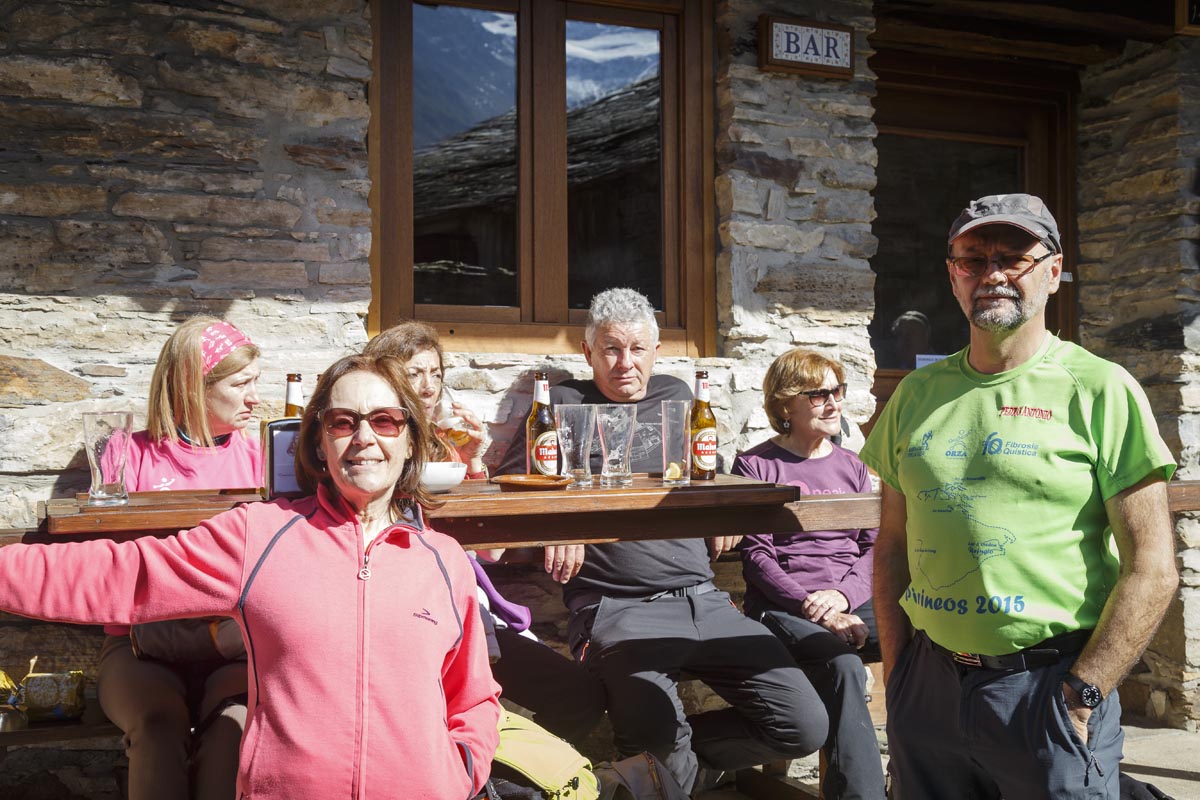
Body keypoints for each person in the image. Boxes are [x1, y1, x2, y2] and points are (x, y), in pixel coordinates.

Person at [2, 353, 500, 799]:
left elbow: (473, 697)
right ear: (319, 443)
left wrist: (460, 769)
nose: (364, 437)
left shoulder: (445, 561)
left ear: (411, 440)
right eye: (343, 422)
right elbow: (122, 575)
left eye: (386, 421)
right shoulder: (260, 536)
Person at [859, 193, 1178, 799]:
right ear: (953, 275)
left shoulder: (1101, 390)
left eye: (1013, 257)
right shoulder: (915, 395)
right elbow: (893, 544)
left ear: (1053, 272)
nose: (992, 274)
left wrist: (1083, 694)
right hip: (929, 688)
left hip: (1048, 688)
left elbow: (1153, 567)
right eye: (973, 260)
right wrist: (899, 678)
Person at [496, 287, 827, 795]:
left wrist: (725, 508)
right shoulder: (561, 404)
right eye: (610, 349)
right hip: (617, 609)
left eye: (636, 349)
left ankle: (666, 768)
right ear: (588, 353)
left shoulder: (677, 397)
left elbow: (708, 472)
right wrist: (558, 528)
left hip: (705, 599)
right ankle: (662, 766)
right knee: (657, 740)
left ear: (656, 351)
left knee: (804, 725)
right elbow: (511, 490)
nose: (624, 363)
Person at [364, 321, 605, 744]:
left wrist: (473, 461)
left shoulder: (444, 447)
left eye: (436, 374)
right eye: (414, 373)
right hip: (399, 617)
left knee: (580, 697)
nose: (428, 387)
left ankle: (506, 771)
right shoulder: (367, 451)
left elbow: (490, 551)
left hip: (465, 612)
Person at [98, 317, 262, 800]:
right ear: (194, 386)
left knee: (233, 732)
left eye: (255, 381)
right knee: (157, 731)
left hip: (231, 647)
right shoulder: (129, 454)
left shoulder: (259, 459)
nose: (255, 397)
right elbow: (110, 568)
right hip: (139, 647)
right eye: (241, 384)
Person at [731, 348, 885, 800]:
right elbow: (758, 558)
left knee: (928, 640)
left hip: (848, 600)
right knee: (842, 665)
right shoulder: (756, 466)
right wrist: (813, 605)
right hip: (784, 607)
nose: (833, 403)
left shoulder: (853, 466)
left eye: (837, 391)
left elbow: (872, 548)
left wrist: (842, 598)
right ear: (785, 404)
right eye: (818, 395)